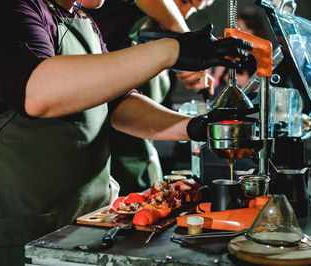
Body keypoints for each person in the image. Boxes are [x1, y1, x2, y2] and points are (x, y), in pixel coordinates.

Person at [0, 0, 251, 265]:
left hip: (88, 216)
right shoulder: (4, 8)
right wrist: (171, 50)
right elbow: (38, 92)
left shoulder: (82, 19)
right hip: (20, 220)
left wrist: (195, 127)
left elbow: (117, 104)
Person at [86, 0, 215, 195]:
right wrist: (187, 41)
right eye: (184, 1)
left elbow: (123, 103)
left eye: (195, 9)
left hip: (138, 158)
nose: (185, 14)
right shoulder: (101, 18)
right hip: (100, 158)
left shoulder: (150, 33)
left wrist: (193, 127)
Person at [210, 6, 269, 100]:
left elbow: (258, 86)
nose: (236, 35)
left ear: (252, 31)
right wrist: (216, 76)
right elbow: (217, 73)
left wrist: (247, 82)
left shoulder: (257, 56)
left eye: (241, 29)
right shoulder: (231, 49)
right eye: (235, 30)